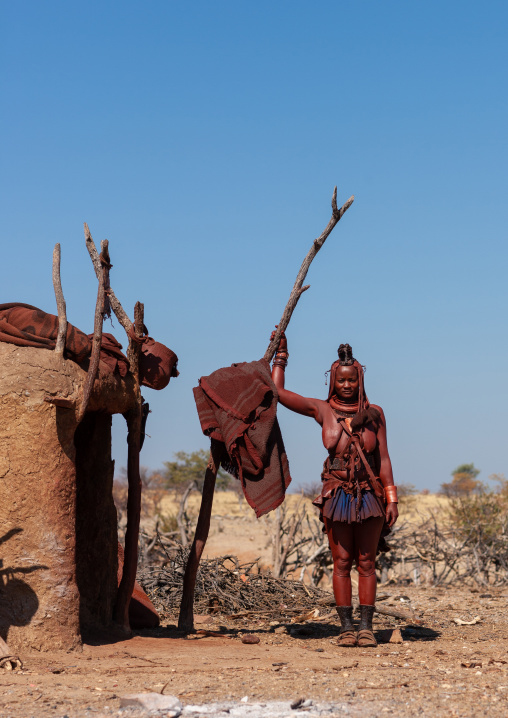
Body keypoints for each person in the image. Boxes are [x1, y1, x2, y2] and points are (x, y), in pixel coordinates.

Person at [271, 333, 398, 647]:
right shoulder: (321, 409)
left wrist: (392, 496)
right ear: (333, 381)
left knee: (367, 562)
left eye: (351, 379)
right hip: (337, 493)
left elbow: (383, 457)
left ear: (360, 379)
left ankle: (366, 627)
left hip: (370, 494)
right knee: (341, 562)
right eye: (341, 380)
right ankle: (345, 629)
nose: (346, 385)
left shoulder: (375, 413)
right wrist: (281, 357)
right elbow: (277, 392)